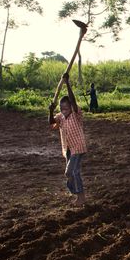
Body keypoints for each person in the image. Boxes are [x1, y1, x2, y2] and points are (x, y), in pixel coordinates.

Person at [49, 73, 87, 207]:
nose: (63, 110)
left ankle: (81, 197)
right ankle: (75, 191)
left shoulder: (76, 114)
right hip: (68, 149)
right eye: (61, 108)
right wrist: (50, 111)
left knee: (72, 171)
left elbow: (73, 100)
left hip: (78, 147)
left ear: (71, 107)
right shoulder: (60, 117)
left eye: (66, 108)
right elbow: (51, 123)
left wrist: (67, 83)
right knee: (68, 173)